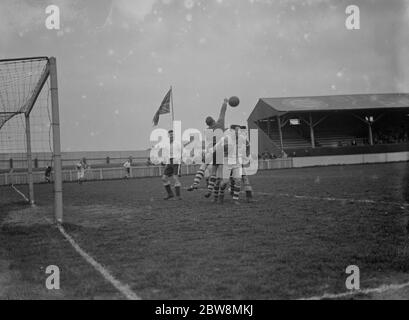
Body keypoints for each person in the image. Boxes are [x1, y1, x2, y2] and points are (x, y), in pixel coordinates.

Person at [187, 98, 228, 197]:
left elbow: (209, 143)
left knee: (204, 166)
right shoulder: (220, 123)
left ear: (207, 124)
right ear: (214, 120)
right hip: (222, 150)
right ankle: (211, 190)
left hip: (213, 150)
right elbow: (222, 112)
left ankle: (196, 184)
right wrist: (225, 102)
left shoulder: (208, 131)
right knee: (218, 175)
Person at [162, 130, 182, 200]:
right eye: (170, 135)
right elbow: (166, 154)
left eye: (172, 135)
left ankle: (178, 196)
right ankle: (170, 194)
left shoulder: (178, 143)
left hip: (176, 161)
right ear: (168, 136)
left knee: (175, 178)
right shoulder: (167, 145)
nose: (171, 136)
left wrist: (179, 160)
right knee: (164, 178)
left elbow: (182, 152)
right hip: (169, 162)